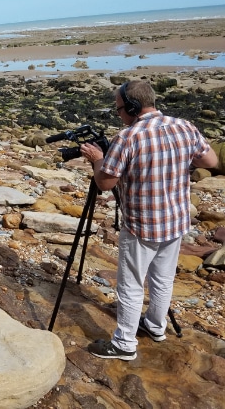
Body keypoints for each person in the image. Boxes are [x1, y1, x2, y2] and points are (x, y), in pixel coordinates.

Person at [80, 80, 218, 361]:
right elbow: (211, 162)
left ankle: (124, 344)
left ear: (132, 107)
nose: (118, 114)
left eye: (119, 109)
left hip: (142, 225)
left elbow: (105, 183)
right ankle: (156, 326)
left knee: (130, 285)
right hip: (176, 220)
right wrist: (178, 162)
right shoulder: (185, 126)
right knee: (163, 279)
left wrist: (97, 158)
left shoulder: (127, 137)